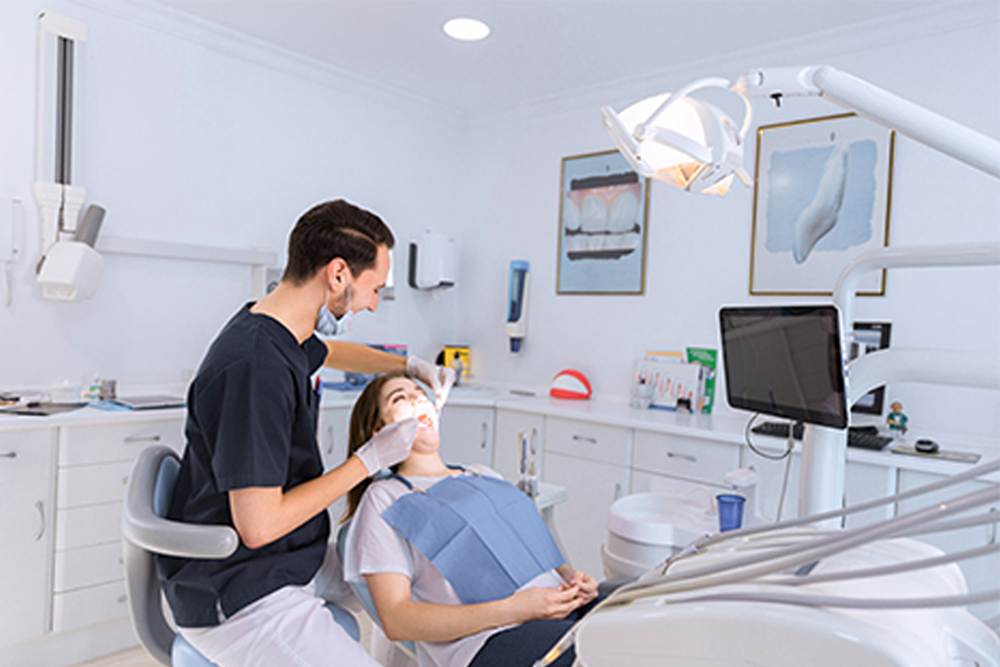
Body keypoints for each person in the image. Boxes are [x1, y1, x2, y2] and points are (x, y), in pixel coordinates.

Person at [157, 199, 452, 667]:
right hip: (240, 587)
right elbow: (259, 527)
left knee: (406, 582)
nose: (373, 303)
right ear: (338, 274)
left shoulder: (278, 329)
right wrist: (368, 461)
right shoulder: (254, 368)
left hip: (292, 553)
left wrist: (408, 366)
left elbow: (329, 351)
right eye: (374, 288)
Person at [342, 373, 600, 667]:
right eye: (400, 398)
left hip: (562, 607)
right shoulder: (385, 497)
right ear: (379, 432)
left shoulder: (482, 473)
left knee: (637, 617)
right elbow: (396, 620)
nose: (417, 398)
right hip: (491, 638)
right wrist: (515, 609)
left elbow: (532, 549)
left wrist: (571, 577)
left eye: (419, 392)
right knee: (604, 653)